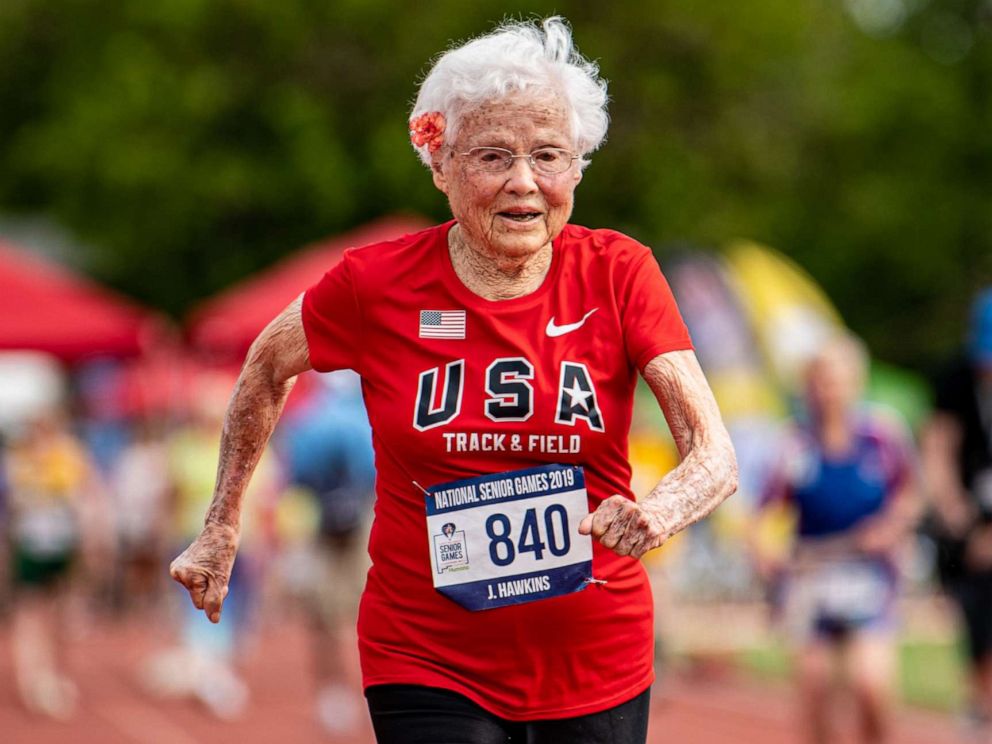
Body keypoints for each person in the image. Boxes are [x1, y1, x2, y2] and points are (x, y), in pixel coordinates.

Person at [170, 17, 737, 744]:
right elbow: (263, 367)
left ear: (577, 169)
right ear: (440, 164)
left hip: (595, 653)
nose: (524, 182)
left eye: (549, 156)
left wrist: (659, 512)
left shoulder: (619, 273)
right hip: (425, 653)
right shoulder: (372, 286)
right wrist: (221, 523)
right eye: (494, 156)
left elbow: (713, 451)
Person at [753, 334, 918, 744]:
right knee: (815, 689)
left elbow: (912, 494)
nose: (832, 389)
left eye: (841, 379)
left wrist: (890, 528)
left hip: (869, 575)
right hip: (812, 574)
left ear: (857, 382)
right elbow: (764, 513)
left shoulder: (883, 436)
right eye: (824, 379)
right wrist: (765, 553)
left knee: (871, 686)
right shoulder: (794, 443)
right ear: (811, 384)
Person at [923, 286, 992, 733]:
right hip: (968, 515)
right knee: (976, 603)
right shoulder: (955, 379)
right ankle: (976, 695)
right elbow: (937, 453)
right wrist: (963, 523)